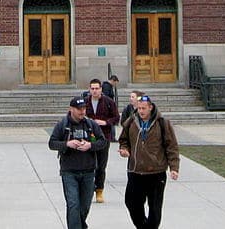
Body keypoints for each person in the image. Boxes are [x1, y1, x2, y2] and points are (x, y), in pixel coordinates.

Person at [118, 94, 180, 229]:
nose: (141, 111)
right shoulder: (131, 121)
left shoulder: (162, 123)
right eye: (139, 108)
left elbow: (172, 146)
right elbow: (123, 140)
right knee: (131, 203)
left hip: (156, 172)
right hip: (136, 171)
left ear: (151, 108)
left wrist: (174, 167)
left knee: (155, 208)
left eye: (144, 108)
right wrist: (124, 149)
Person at [48, 96, 108, 229]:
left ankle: (80, 225)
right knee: (73, 204)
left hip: (88, 171)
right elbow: (52, 143)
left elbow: (102, 141)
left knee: (85, 205)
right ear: (71, 109)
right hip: (69, 172)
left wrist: (90, 146)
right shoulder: (62, 125)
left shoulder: (91, 125)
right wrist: (67, 144)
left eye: (84, 109)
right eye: (79, 109)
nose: (82, 112)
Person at [85, 78, 120, 203]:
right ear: (89, 89)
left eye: (97, 88)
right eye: (92, 89)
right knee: (88, 165)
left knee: (101, 165)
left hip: (103, 137)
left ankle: (99, 190)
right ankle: (88, 189)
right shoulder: (84, 102)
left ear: (101, 89)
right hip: (88, 138)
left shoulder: (109, 102)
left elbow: (116, 117)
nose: (94, 91)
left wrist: (105, 122)